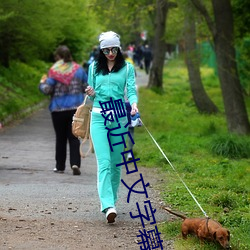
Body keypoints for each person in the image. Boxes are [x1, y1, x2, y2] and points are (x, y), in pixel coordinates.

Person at [85, 31, 138, 223]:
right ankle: (107, 205)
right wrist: (90, 92)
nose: (110, 53)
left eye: (114, 49)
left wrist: (133, 104)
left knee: (116, 164)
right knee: (104, 162)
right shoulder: (93, 68)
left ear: (119, 48)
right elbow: (91, 97)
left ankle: (113, 201)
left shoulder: (127, 68)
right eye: (106, 50)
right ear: (101, 50)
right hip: (99, 117)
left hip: (119, 119)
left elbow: (131, 90)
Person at [39, 45, 88, 175]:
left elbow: (47, 90)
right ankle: (75, 163)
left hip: (58, 109)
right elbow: (86, 87)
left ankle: (60, 166)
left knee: (60, 138)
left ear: (58, 57)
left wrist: (42, 83)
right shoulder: (79, 70)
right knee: (74, 137)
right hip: (75, 109)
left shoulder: (54, 71)